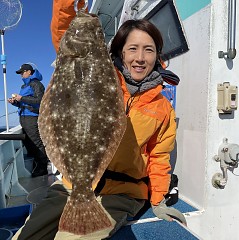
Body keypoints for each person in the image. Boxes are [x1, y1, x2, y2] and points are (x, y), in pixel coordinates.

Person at [12, 9, 186, 240]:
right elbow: (63, 30)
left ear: (157, 56)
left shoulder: (162, 107)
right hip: (71, 184)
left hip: (123, 192)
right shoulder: (100, 75)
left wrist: (158, 199)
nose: (140, 58)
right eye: (132, 49)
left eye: (149, 50)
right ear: (120, 53)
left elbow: (159, 157)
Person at [8, 63, 49, 178]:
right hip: (23, 117)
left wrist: (22, 98)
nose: (21, 74)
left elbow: (40, 101)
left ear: (29, 72)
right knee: (28, 142)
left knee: (36, 142)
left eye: (22, 72)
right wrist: (15, 102)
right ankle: (37, 162)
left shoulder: (36, 84)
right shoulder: (24, 87)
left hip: (32, 118)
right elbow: (24, 103)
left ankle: (43, 168)